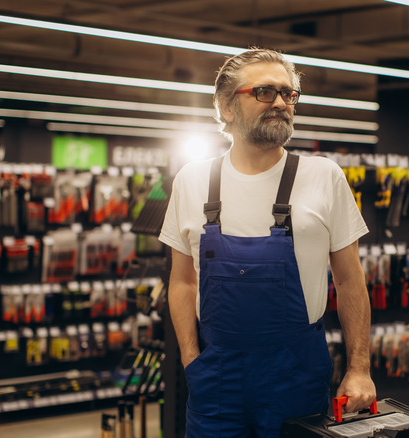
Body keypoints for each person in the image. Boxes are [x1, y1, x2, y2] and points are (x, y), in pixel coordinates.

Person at [159, 48, 376, 437]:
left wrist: (359, 369)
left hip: (295, 373)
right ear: (226, 106)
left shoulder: (323, 176)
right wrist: (193, 360)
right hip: (217, 377)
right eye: (264, 92)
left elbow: (348, 281)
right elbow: (182, 282)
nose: (280, 102)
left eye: (288, 94)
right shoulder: (192, 181)